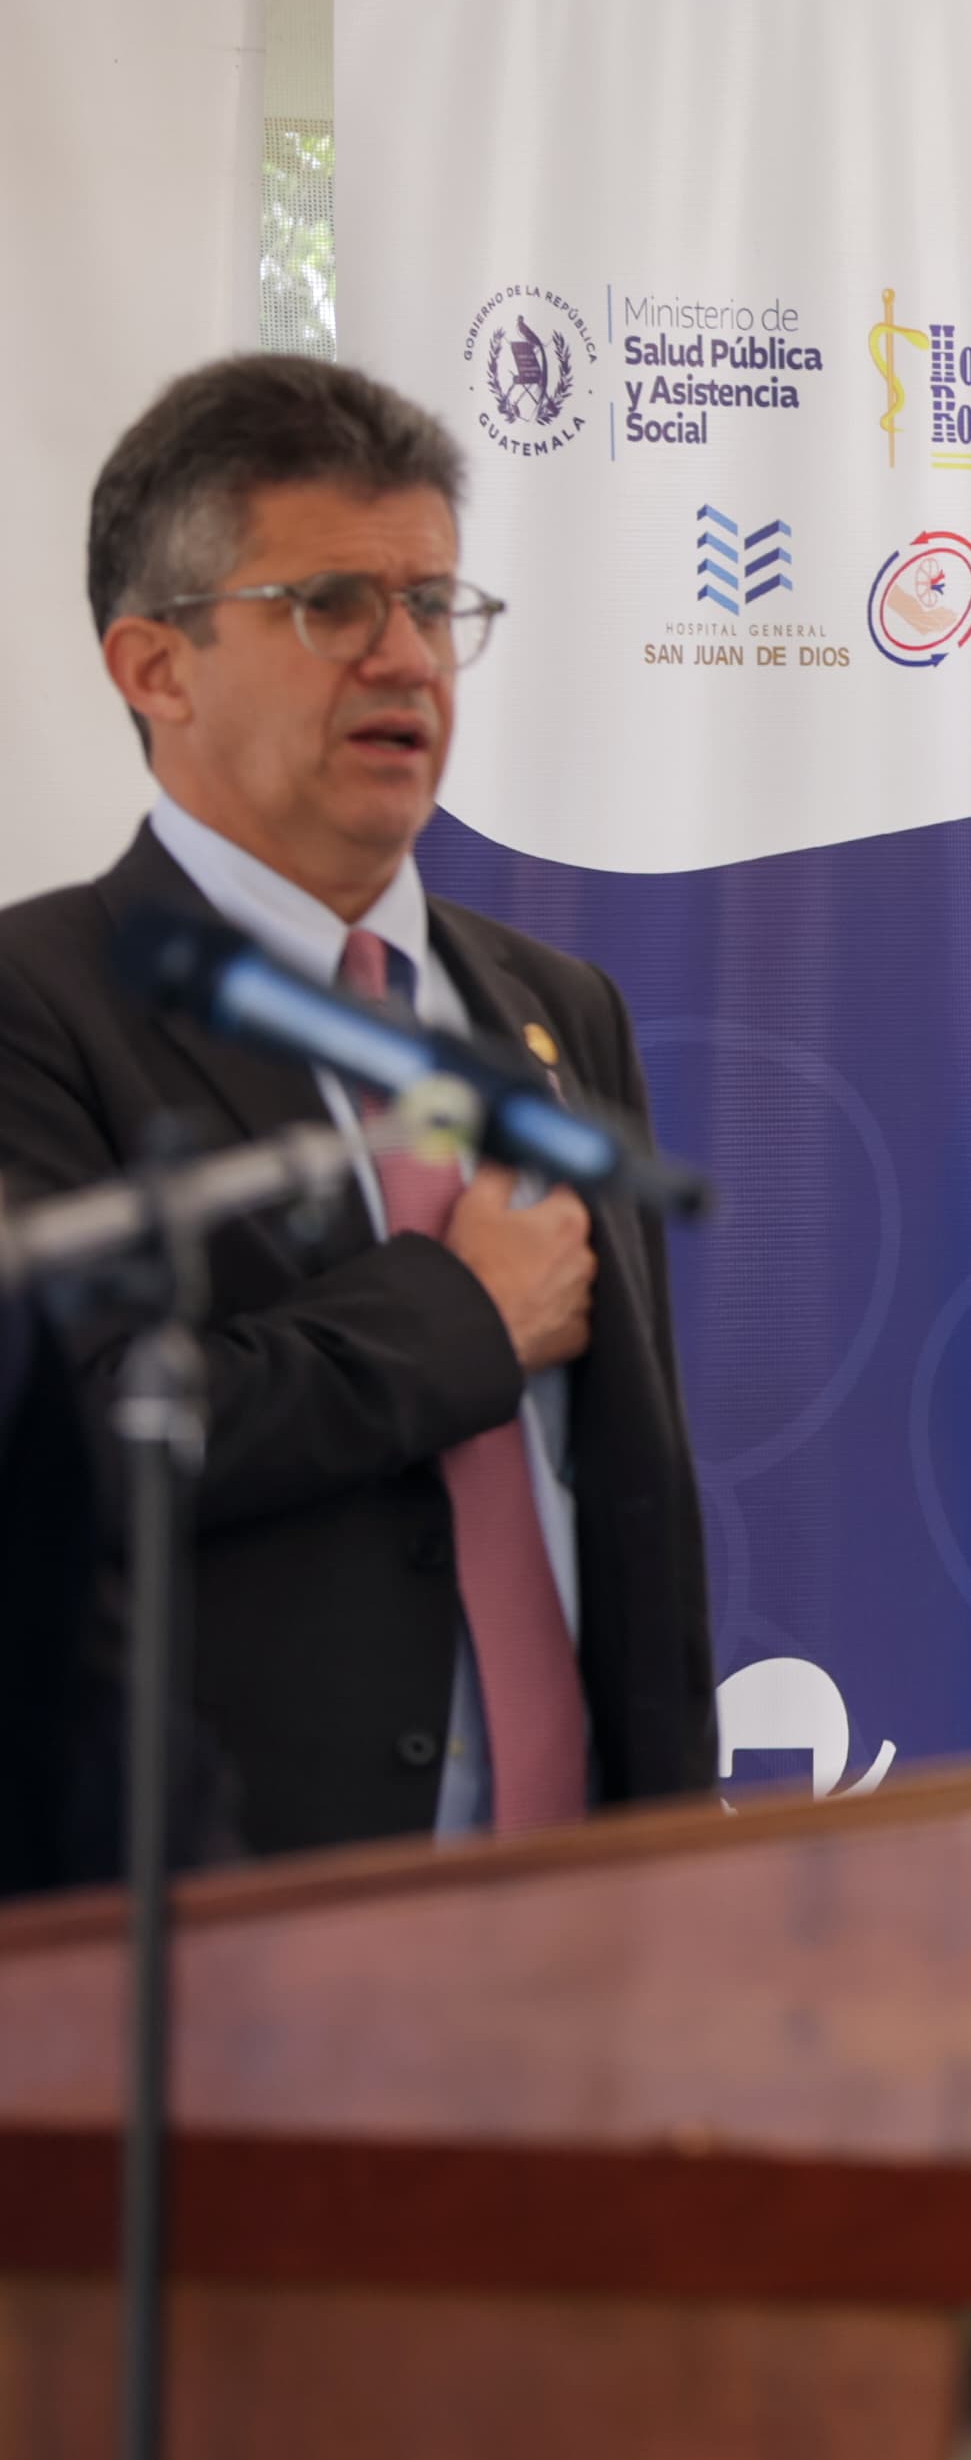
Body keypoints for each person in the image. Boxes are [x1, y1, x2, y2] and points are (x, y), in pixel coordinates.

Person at [0, 355, 714, 1880]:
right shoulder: (36, 1004)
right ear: (155, 665)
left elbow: (635, 1501)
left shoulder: (558, 1005)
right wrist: (461, 1317)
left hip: (590, 1908)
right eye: (331, 603)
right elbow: (70, 1452)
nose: (406, 658)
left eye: (434, 604)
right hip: (222, 1923)